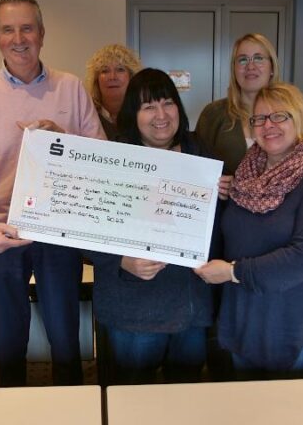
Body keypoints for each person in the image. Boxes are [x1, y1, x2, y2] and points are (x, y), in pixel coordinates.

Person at [0, 0, 104, 386]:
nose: (18, 39)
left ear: (42, 32)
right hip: (1, 231)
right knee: (9, 338)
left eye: (26, 28)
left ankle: (72, 409)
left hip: (58, 229)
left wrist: (63, 140)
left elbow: (102, 161)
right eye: (8, 30)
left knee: (65, 337)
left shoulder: (70, 88)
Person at [194, 82, 303, 377]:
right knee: (245, 409)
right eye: (259, 118)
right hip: (245, 313)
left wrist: (233, 272)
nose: (268, 125)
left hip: (290, 317)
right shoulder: (246, 173)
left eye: (280, 116)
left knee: (288, 411)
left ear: (299, 119)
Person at [87, 68, 221, 384]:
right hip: (134, 306)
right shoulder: (113, 159)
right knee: (133, 395)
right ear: (133, 114)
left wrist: (225, 193)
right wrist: (120, 260)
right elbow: (83, 227)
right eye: (148, 107)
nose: (160, 115)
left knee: (185, 393)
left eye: (167, 103)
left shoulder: (198, 150)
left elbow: (221, 223)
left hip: (190, 303)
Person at [195, 33, 280, 177]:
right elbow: (196, 167)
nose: (250, 66)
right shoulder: (213, 113)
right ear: (234, 69)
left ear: (272, 67)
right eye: (242, 60)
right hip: (225, 199)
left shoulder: (290, 114)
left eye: (258, 58)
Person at [85, 44, 143, 142]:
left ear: (132, 76)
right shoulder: (86, 114)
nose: (112, 77)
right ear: (96, 79)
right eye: (105, 71)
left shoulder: (144, 113)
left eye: (120, 69)